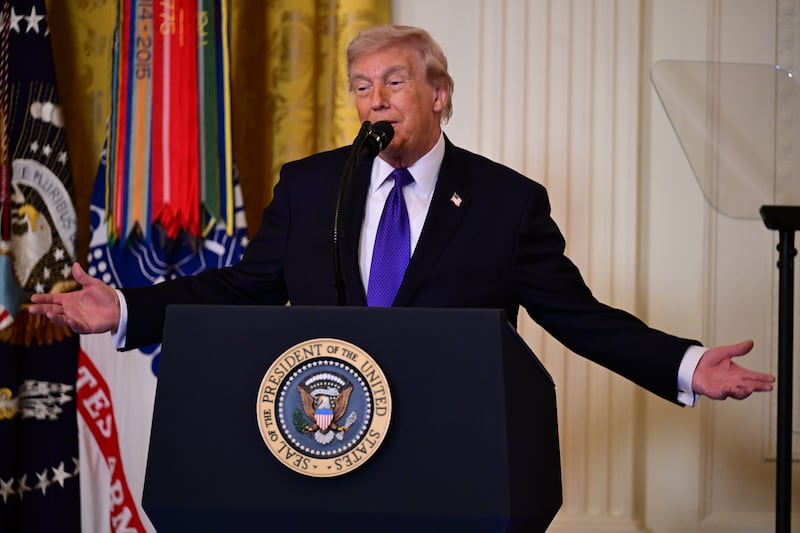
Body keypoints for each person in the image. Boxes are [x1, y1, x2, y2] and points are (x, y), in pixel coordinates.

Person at [29, 24, 774, 406]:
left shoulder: (506, 201)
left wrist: (683, 362)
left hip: (452, 441)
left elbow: (576, 315)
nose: (374, 100)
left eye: (392, 81)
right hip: (327, 427)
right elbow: (244, 287)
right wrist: (126, 307)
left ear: (438, 93)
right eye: (360, 86)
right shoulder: (315, 184)